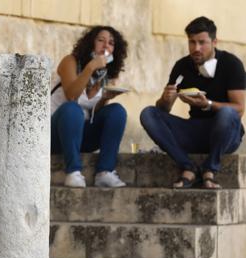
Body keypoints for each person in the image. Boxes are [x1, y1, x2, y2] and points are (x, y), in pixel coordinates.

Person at [140, 16, 245, 189]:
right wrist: (165, 99)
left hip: (225, 134)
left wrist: (207, 104)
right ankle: (187, 166)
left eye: (202, 42)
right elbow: (163, 110)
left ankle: (210, 169)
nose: (196, 48)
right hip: (193, 130)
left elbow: (239, 109)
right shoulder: (182, 66)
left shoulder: (231, 64)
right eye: (192, 42)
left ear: (214, 42)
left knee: (226, 113)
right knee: (148, 114)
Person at [51, 25, 129, 188]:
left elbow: (93, 112)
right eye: (101, 40)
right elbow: (71, 95)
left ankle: (105, 172)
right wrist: (91, 67)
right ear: (90, 44)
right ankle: (73, 171)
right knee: (72, 109)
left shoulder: (106, 76)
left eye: (111, 43)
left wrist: (104, 100)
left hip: (82, 136)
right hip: (55, 133)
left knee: (117, 111)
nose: (106, 45)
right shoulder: (70, 62)